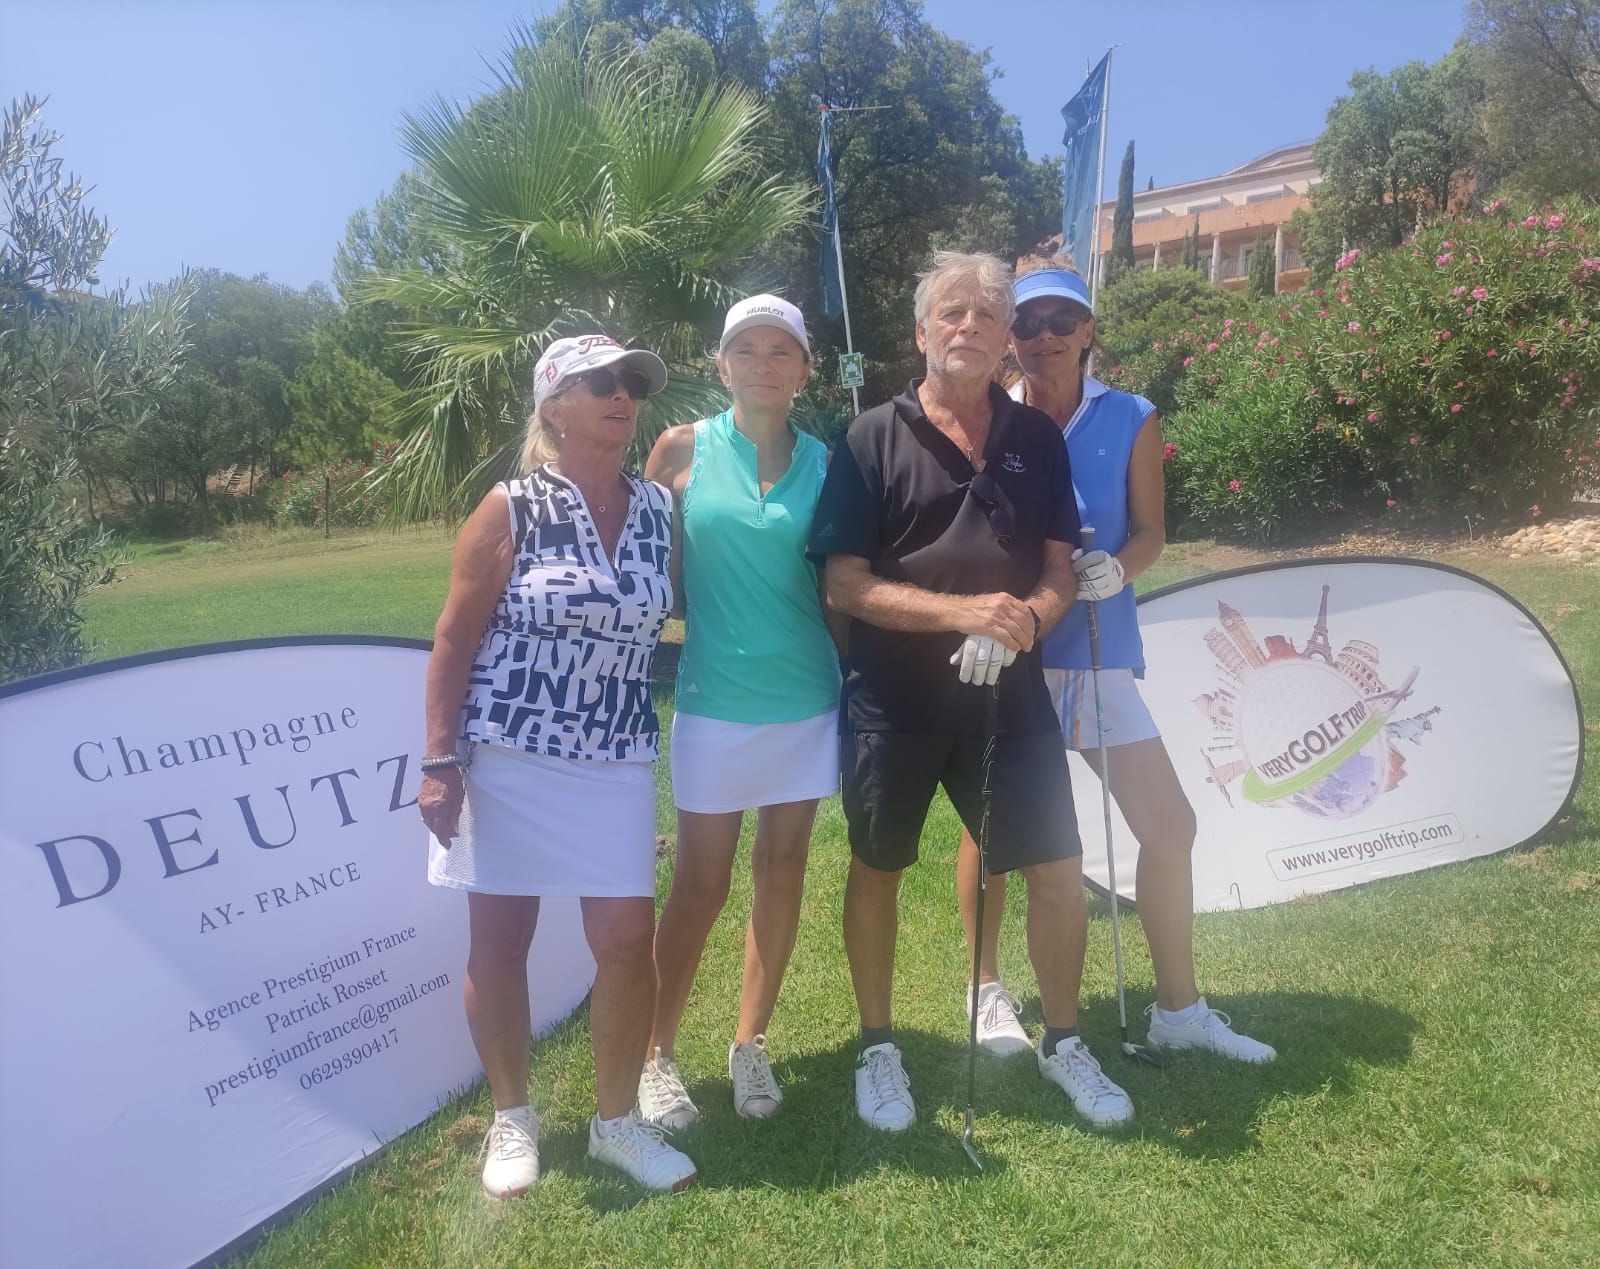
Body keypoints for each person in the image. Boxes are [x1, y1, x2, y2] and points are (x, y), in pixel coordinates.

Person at [808, 250, 1135, 1134]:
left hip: (1007, 695)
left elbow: (1059, 570)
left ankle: (1064, 1041)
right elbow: (845, 583)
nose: (970, 327)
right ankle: (879, 1048)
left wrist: (1022, 620)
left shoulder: (1035, 440)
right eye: (952, 313)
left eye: (988, 315)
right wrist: (964, 614)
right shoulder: (872, 437)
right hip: (894, 700)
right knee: (878, 866)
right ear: (922, 332)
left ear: (1005, 340)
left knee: (1057, 867)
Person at [955, 266, 1276, 1069]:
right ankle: (985, 987)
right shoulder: (986, 414)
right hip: (1012, 652)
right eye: (1029, 323)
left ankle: (1179, 1009)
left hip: (1095, 652)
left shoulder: (1132, 415)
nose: (1045, 337)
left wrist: (1120, 570)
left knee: (1170, 826)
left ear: (1089, 331)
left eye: (1062, 321)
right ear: (1010, 336)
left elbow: (1150, 530)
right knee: (990, 827)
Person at [418, 333, 698, 1200]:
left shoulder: (657, 509)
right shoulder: (509, 508)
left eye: (631, 382)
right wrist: (439, 757)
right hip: (507, 753)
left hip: (615, 753)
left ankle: (616, 1124)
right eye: (600, 381)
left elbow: (677, 609)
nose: (623, 394)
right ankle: (513, 1117)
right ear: (554, 406)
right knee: (502, 942)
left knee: (625, 942)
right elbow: (454, 637)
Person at [637, 295, 841, 1127]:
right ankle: (653, 1050)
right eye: (746, 349)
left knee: (782, 866)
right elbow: (646, 569)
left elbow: (838, 583)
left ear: (804, 369)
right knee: (700, 881)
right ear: (721, 365)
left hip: (806, 695)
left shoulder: (826, 462)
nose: (763, 363)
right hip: (714, 696)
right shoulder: (680, 447)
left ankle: (750, 1040)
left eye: (780, 350)